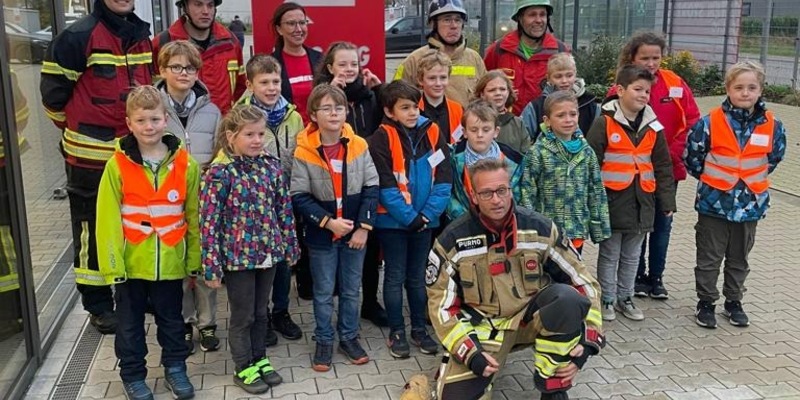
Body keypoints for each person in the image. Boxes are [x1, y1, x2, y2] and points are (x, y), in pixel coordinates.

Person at [426, 158, 605, 400]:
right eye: (487, 193)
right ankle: (459, 373)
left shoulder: (540, 229)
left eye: (502, 190)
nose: (497, 199)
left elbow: (583, 282)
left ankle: (553, 382)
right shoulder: (452, 241)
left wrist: (589, 339)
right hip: (482, 330)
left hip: (528, 321)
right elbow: (441, 306)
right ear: (474, 196)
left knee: (568, 299)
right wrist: (470, 353)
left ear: (511, 190)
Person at [40, 0, 154, 335]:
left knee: (134, 224)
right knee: (91, 230)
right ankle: (99, 304)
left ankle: (132, 292)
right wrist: (78, 130)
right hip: (90, 158)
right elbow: (52, 100)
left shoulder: (141, 35)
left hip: (132, 155)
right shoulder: (77, 37)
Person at [95, 86, 199, 400]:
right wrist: (112, 266)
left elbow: (193, 216)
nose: (149, 126)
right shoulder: (117, 166)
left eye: (155, 118)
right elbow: (107, 219)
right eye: (141, 120)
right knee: (129, 326)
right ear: (129, 123)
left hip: (170, 262)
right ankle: (132, 375)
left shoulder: (186, 165)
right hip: (131, 265)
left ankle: (176, 368)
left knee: (172, 320)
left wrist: (194, 260)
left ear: (166, 120)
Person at [200, 105, 300, 394]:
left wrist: (290, 246)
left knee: (261, 311)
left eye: (261, 133)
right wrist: (212, 266)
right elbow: (209, 223)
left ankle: (260, 359)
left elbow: (284, 210)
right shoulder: (220, 173)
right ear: (231, 137)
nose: (257, 140)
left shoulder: (271, 165)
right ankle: (243, 366)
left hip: (268, 253)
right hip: (237, 260)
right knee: (243, 315)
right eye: (249, 135)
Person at [684, 61, 785, 329]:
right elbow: (693, 157)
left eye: (752, 87)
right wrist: (716, 183)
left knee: (739, 258)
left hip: (750, 204)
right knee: (709, 257)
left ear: (761, 90)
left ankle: (734, 302)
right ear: (728, 89)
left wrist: (747, 182)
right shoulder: (709, 123)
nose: (745, 93)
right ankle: (706, 302)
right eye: (739, 87)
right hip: (713, 204)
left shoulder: (773, 125)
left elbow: (774, 157)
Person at [290, 84, 380, 372]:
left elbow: (371, 186)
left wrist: (364, 227)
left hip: (355, 233)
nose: (333, 113)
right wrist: (329, 223)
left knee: (352, 290)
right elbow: (299, 196)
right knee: (324, 291)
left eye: (338, 107)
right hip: (322, 236)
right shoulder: (304, 150)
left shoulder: (359, 145)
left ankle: (349, 337)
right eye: (326, 108)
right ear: (313, 115)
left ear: (346, 111)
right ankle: (324, 339)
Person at [610, 31, 701, 301]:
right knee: (635, 226)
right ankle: (635, 277)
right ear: (632, 57)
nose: (651, 63)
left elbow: (693, 122)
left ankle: (656, 278)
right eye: (645, 58)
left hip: (665, 171)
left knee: (662, 225)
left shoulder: (675, 83)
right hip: (631, 174)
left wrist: (669, 154)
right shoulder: (621, 85)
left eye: (656, 58)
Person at [367, 80, 452, 359]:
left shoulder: (433, 130)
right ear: (390, 112)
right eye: (405, 108)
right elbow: (385, 186)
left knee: (417, 278)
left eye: (415, 106)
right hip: (392, 224)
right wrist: (410, 218)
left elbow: (444, 177)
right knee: (393, 277)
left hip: (425, 222)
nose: (413, 112)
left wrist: (428, 214)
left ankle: (419, 329)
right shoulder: (379, 138)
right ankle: (397, 332)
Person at [586, 65, 676, 322]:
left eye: (647, 91)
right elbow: (591, 162)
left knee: (632, 256)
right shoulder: (604, 122)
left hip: (642, 203)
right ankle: (607, 298)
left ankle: (626, 297)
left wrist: (666, 201)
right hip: (612, 202)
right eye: (638, 89)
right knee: (610, 253)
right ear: (621, 90)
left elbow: (663, 166)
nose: (643, 95)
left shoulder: (653, 127)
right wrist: (592, 201)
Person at [313, 41, 388, 327]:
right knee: (331, 250)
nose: (348, 70)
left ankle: (369, 302)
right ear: (330, 67)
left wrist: (380, 90)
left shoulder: (369, 96)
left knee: (367, 245)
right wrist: (332, 94)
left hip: (364, 180)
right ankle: (332, 308)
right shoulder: (322, 98)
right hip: (330, 183)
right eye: (342, 64)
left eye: (353, 64)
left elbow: (387, 120)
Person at [155, 40, 221, 354]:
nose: (184, 72)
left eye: (190, 67)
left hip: (205, 199)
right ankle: (182, 322)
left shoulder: (211, 110)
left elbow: (221, 153)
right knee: (179, 267)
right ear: (163, 70)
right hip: (168, 200)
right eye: (176, 67)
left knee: (206, 265)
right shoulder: (154, 110)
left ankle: (207, 325)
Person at [236, 54, 306, 343]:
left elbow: (302, 155)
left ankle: (281, 311)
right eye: (264, 82)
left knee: (282, 261)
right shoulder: (239, 116)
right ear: (250, 84)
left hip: (286, 199)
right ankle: (259, 317)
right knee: (259, 262)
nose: (271, 87)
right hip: (253, 202)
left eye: (276, 81)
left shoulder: (293, 115)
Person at [519, 91, 610, 254]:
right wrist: (529, 228)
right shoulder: (538, 152)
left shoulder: (586, 151)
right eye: (561, 115)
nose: (568, 120)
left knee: (572, 273)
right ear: (547, 121)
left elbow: (596, 189)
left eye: (573, 114)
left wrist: (599, 227)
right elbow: (527, 191)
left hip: (576, 228)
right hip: (547, 231)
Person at [154, 0, 246, 115]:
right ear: (185, 7)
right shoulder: (163, 43)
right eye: (198, 4)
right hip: (179, 129)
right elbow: (153, 91)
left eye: (210, 5)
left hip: (223, 127)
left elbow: (240, 86)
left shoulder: (231, 43)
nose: (206, 11)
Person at [483, 0, 569, 115]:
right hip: (507, 125)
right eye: (532, 15)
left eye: (542, 14)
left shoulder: (560, 51)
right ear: (520, 18)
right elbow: (483, 87)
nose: (538, 20)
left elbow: (569, 92)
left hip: (545, 127)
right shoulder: (499, 50)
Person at [394, 0, 486, 106]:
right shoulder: (414, 60)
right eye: (447, 20)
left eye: (458, 20)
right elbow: (394, 98)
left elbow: (486, 99)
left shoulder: (474, 59)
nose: (454, 26)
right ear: (433, 24)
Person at [447, 100, 523, 222]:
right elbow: (447, 193)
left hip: (502, 223)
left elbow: (516, 196)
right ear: (465, 132)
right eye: (474, 130)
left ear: (496, 132)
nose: (480, 135)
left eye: (486, 129)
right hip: (463, 223)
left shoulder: (513, 161)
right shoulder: (452, 157)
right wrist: (466, 218)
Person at [521, 53, 600, 142]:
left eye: (569, 75)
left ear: (575, 74)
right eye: (558, 76)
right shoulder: (535, 107)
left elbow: (596, 142)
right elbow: (522, 140)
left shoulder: (591, 105)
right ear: (548, 78)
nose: (564, 81)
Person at [271, 2, 323, 122]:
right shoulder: (271, 64)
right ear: (279, 29)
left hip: (318, 134)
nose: (298, 29)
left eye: (302, 23)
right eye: (291, 24)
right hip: (288, 135)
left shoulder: (320, 59)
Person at [474, 70, 531, 155]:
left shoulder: (518, 124)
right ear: (482, 94)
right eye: (492, 90)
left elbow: (527, 157)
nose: (498, 93)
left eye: (502, 89)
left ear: (508, 92)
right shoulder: (472, 120)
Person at [415, 50, 465, 144]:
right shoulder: (413, 109)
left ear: (448, 78)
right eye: (432, 78)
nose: (438, 83)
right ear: (420, 80)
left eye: (443, 78)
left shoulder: (458, 110)